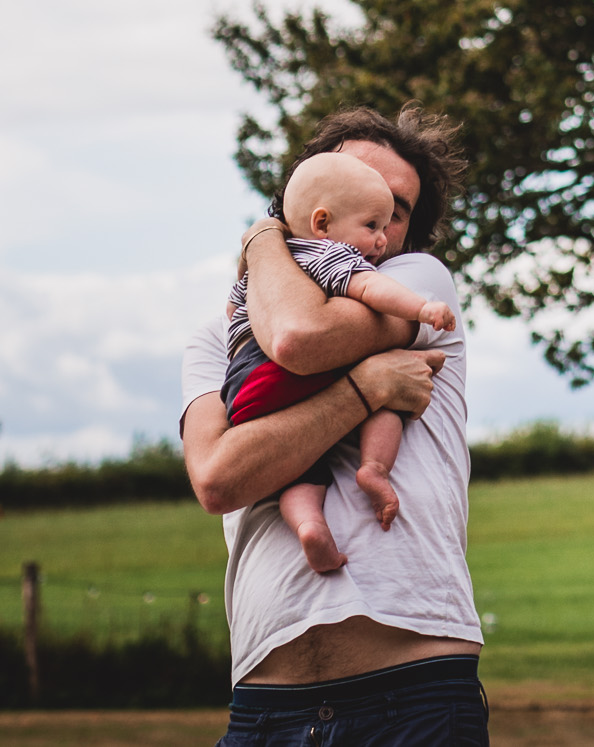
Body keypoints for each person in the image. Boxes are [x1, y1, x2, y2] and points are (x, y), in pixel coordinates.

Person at [181, 105, 488, 747]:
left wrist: (263, 238)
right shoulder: (216, 341)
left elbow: (298, 337)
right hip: (264, 709)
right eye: (356, 182)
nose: (377, 214)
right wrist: (365, 388)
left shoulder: (413, 284)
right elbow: (218, 480)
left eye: (396, 210)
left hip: (414, 691)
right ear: (311, 200)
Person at [223, 153, 458, 573]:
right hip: (278, 371)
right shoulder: (334, 255)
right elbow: (354, 298)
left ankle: (310, 525)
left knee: (297, 474)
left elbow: (232, 315)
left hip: (242, 388)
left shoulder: (259, 278)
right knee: (390, 377)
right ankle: (374, 468)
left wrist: (259, 242)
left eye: (391, 222)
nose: (381, 239)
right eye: (371, 225)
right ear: (323, 222)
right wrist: (423, 309)